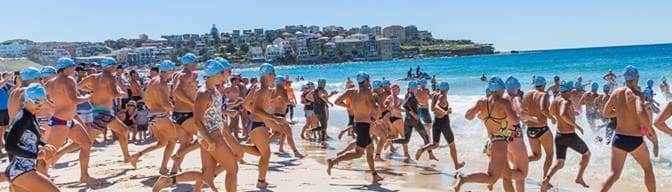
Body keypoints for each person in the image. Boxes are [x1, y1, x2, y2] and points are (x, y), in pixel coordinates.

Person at [153, 59, 242, 192]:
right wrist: (210, 140)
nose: (226, 75)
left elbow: (213, 111)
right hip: (212, 137)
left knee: (206, 175)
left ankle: (168, 180)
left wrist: (227, 111)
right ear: (217, 74)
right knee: (232, 168)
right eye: (224, 73)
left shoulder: (214, 90)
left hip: (212, 136)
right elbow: (197, 120)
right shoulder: (204, 92)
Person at [455, 76, 519, 192]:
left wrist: (481, 114)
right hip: (499, 143)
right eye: (503, 89)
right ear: (500, 89)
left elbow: (468, 116)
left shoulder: (482, 102)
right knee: (492, 178)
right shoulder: (504, 102)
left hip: (491, 142)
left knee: (507, 177)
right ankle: (463, 179)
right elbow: (515, 121)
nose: (504, 91)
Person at [600, 65, 657, 192]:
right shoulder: (638, 95)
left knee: (614, 174)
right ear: (637, 78)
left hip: (618, 139)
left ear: (625, 79)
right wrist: (649, 128)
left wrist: (620, 112)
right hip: (634, 140)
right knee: (648, 169)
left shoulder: (616, 92)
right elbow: (640, 111)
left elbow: (606, 113)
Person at [67, 57, 132, 165]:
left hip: (102, 111)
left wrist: (93, 90)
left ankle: (127, 157)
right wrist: (122, 93)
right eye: (114, 65)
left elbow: (78, 86)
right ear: (110, 66)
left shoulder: (93, 77)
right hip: (103, 113)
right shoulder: (110, 77)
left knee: (124, 130)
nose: (116, 67)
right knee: (84, 141)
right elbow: (115, 94)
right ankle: (56, 155)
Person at [42, 57, 96, 183]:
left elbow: (41, 98)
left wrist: (52, 106)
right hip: (61, 121)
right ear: (66, 68)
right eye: (72, 66)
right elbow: (74, 100)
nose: (74, 69)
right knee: (48, 153)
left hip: (64, 119)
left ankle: (84, 176)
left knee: (86, 143)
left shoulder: (50, 83)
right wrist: (88, 97)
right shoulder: (68, 79)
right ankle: (39, 178)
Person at [327, 71, 384, 184]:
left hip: (357, 124)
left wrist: (351, 106)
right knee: (358, 153)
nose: (370, 82)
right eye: (369, 80)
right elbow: (375, 109)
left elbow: (337, 101)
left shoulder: (350, 91)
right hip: (363, 125)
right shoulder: (368, 92)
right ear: (366, 80)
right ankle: (333, 162)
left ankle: (374, 175)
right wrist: (378, 105)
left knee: (370, 150)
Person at [126, 60, 179, 174]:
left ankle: (137, 155)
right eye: (172, 71)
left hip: (151, 115)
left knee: (162, 143)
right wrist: (176, 109)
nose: (173, 73)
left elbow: (145, 99)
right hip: (160, 115)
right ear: (169, 71)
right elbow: (165, 104)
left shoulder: (153, 81)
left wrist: (154, 108)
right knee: (173, 140)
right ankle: (163, 168)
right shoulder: (163, 84)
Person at [4, 83, 59, 192]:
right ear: (27, 100)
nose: (40, 105)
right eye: (36, 101)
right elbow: (9, 146)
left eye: (42, 101)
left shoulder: (31, 115)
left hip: (23, 170)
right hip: (21, 171)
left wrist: (45, 144)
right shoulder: (23, 119)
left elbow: (27, 138)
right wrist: (36, 155)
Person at [241, 63, 288, 188]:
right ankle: (261, 182)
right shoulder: (263, 89)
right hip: (257, 123)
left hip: (254, 122)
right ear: (268, 75)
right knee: (265, 154)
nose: (275, 77)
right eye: (273, 74)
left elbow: (246, 104)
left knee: (261, 152)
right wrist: (274, 118)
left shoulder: (256, 86)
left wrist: (267, 106)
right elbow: (256, 109)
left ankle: (237, 147)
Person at [541, 81, 591, 191]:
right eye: (570, 91)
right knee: (587, 154)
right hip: (569, 136)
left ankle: (546, 179)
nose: (571, 93)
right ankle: (579, 177)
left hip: (559, 136)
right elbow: (563, 114)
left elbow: (551, 113)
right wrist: (577, 126)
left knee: (560, 163)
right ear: (567, 91)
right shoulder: (566, 101)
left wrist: (572, 113)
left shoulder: (556, 100)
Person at [415, 82, 464, 170]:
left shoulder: (435, 95)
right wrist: (445, 112)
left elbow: (432, 108)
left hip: (436, 122)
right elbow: (437, 107)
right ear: (447, 89)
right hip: (444, 123)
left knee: (435, 144)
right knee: (452, 145)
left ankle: (422, 149)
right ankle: (456, 164)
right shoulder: (442, 97)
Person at [168, 53, 202, 174]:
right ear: (190, 63)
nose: (197, 64)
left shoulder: (177, 74)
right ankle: (179, 154)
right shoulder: (187, 73)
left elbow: (172, 93)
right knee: (205, 138)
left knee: (185, 143)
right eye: (196, 62)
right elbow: (177, 91)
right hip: (187, 114)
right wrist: (193, 103)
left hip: (177, 114)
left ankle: (173, 171)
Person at [392, 81, 435, 162]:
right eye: (416, 88)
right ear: (413, 88)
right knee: (426, 137)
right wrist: (414, 114)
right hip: (414, 121)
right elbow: (405, 106)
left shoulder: (407, 95)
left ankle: (391, 141)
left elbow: (409, 105)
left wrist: (419, 105)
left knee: (406, 140)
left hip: (407, 120)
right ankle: (430, 154)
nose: (417, 89)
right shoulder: (411, 96)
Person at [500, 76, 530, 192]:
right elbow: (520, 112)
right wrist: (531, 118)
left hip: (503, 136)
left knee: (517, 170)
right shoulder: (515, 97)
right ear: (517, 87)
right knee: (522, 173)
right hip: (514, 137)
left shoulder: (501, 98)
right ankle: (495, 175)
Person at [522, 76, 554, 179]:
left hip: (530, 129)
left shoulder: (527, 94)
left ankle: (518, 164)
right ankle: (545, 179)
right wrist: (551, 118)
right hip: (542, 129)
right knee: (549, 155)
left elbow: (522, 112)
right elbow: (544, 109)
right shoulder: (544, 95)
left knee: (536, 156)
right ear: (544, 85)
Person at [268, 76, 305, 158]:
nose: (285, 82)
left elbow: (269, 103)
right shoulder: (283, 90)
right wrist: (291, 103)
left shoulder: (272, 90)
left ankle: (280, 148)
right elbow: (286, 101)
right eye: (284, 81)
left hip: (274, 115)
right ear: (281, 82)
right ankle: (296, 152)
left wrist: (277, 101)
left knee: (280, 133)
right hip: (281, 115)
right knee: (288, 134)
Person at [0, 72, 15, 153]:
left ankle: (2, 142)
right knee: (0, 128)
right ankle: (1, 144)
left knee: (5, 127)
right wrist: (7, 78)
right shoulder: (3, 83)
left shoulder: (6, 84)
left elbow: (14, 88)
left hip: (6, 109)